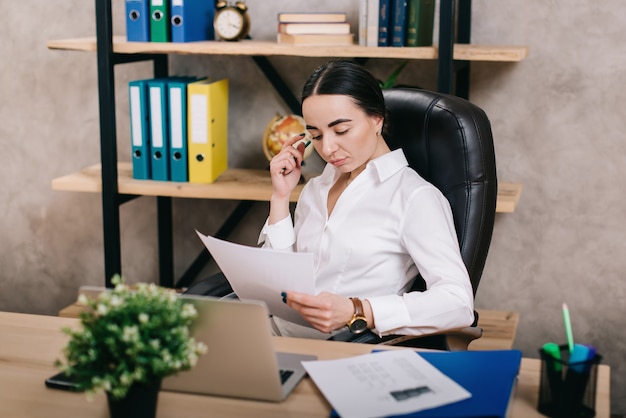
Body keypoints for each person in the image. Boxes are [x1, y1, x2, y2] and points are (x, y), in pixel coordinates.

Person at [258, 59, 474, 341]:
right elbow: (281, 281)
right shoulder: (315, 188)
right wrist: (280, 196)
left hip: (337, 347)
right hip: (270, 331)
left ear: (377, 119)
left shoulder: (414, 198)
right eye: (316, 135)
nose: (328, 148)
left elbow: (457, 302)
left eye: (341, 130)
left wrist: (357, 309)